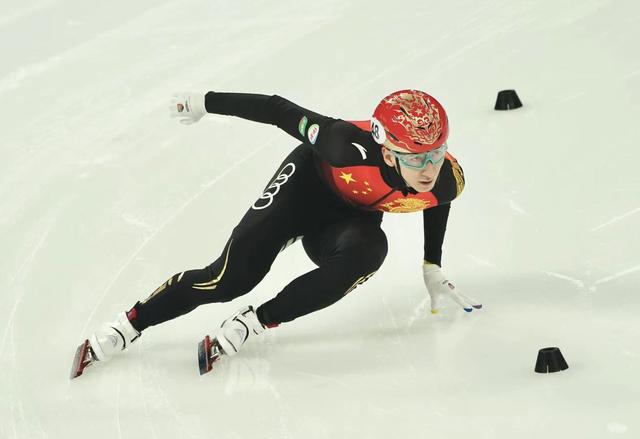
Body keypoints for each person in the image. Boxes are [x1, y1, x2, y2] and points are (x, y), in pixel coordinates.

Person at [71, 89, 482, 377]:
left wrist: (432, 264)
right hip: (302, 190)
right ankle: (130, 324)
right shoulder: (343, 144)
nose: (430, 168)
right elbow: (278, 109)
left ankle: (255, 322)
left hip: (346, 222)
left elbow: (437, 200)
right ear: (389, 152)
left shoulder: (446, 179)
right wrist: (202, 102)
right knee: (230, 279)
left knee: (370, 252)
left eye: (437, 153)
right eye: (418, 158)